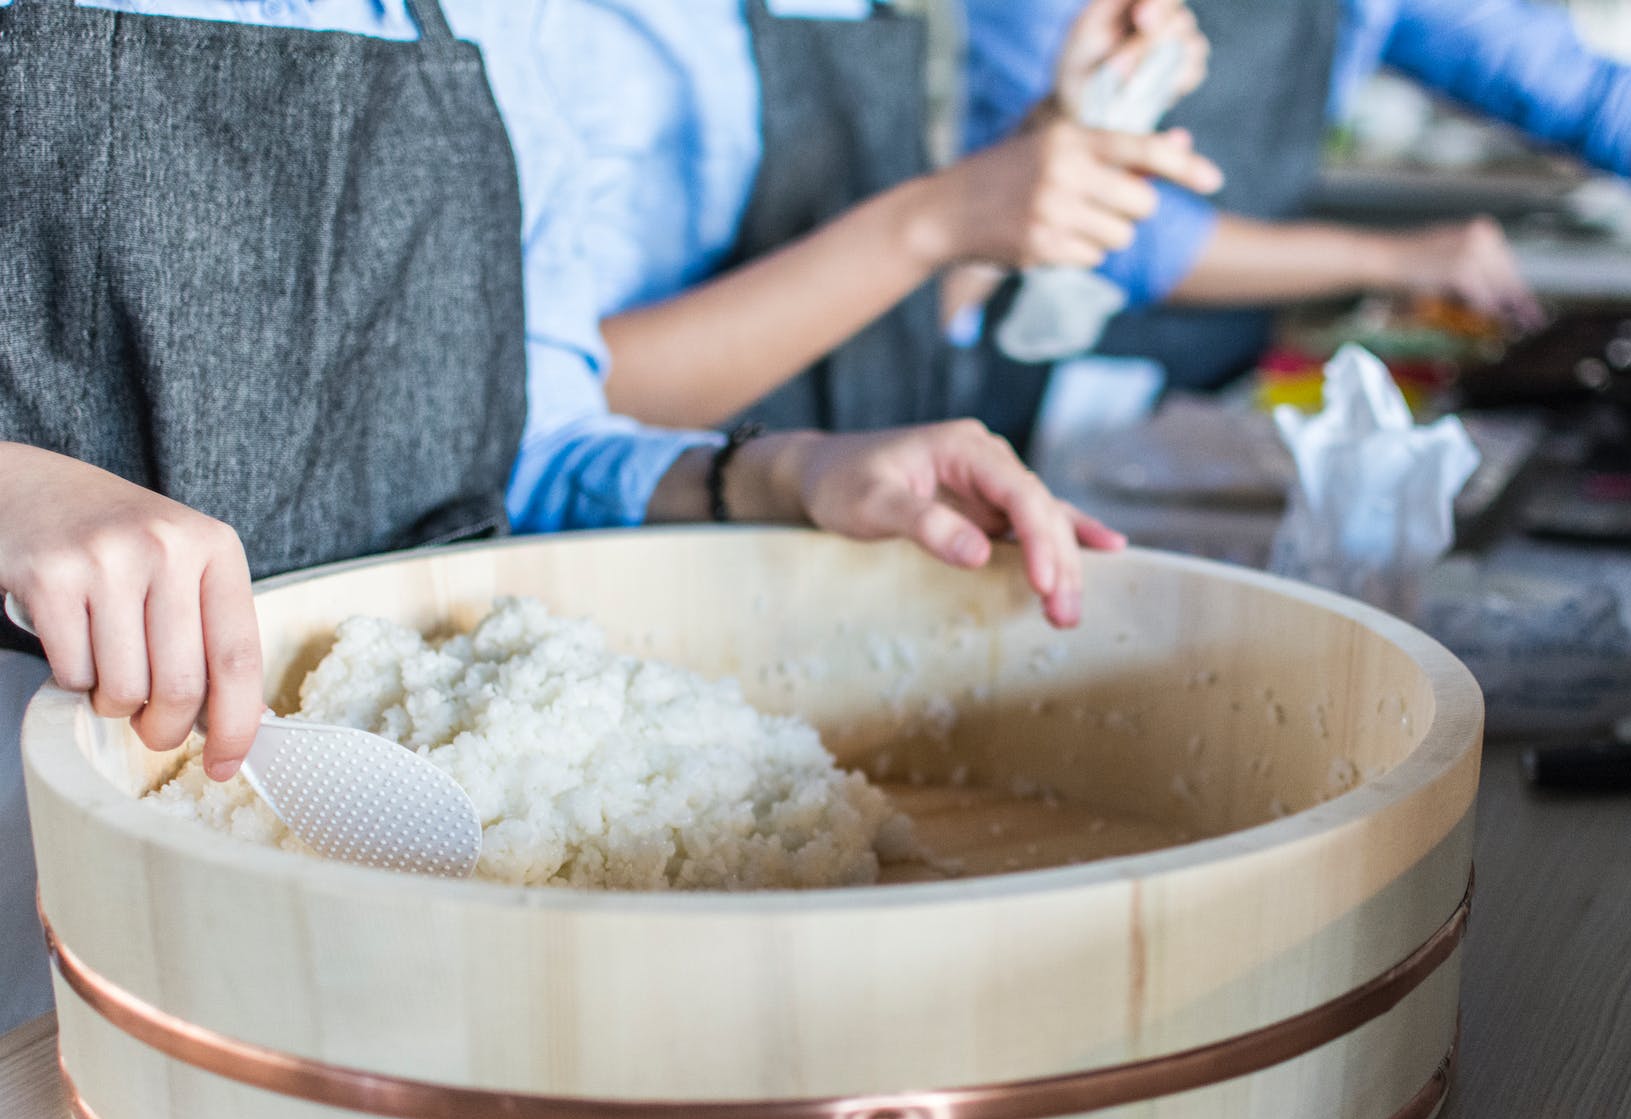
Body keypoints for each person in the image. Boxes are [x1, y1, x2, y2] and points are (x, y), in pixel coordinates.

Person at [0, 0, 1122, 1034]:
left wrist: (779, 472)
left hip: (390, 820)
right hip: (47, 792)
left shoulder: (508, 24)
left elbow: (528, 438)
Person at [965, 0, 1631, 409]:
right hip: (1029, 371)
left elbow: (1582, 93)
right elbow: (1122, 237)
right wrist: (1394, 256)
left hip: (1213, 371)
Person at [529, 0, 1219, 447]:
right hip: (658, 561)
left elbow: (896, 317)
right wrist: (936, 219)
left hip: (857, 528)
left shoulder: (862, 10)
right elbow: (553, 399)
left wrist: (1051, 144)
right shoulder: (580, 33)